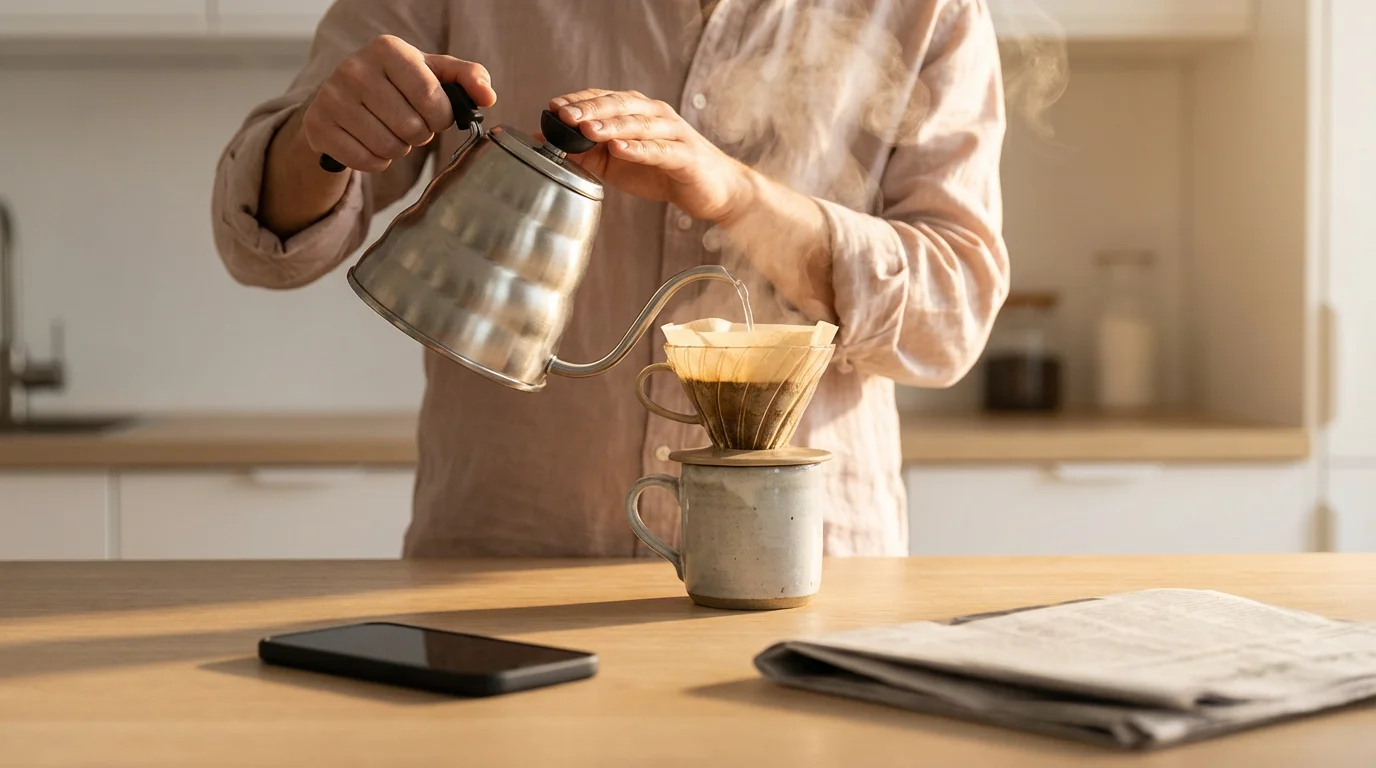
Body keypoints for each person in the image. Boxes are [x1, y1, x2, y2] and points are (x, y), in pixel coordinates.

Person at [211, 0, 1009, 558]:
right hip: (504, 566)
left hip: (806, 571)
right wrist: (322, 136)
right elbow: (263, 247)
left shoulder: (928, 8)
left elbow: (953, 315)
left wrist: (733, 194)